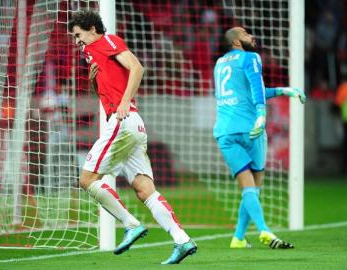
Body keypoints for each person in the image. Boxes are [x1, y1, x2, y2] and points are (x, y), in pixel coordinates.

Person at [68, 10, 197, 264]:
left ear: (93, 29)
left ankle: (130, 223)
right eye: (73, 37)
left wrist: (125, 101)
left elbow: (137, 67)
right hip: (130, 125)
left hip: (122, 120)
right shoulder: (93, 55)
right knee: (143, 188)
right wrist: (95, 84)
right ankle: (182, 240)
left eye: (78, 35)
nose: (76, 41)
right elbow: (108, 93)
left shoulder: (108, 41)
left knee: (86, 179)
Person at [213, 27, 306, 249]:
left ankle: (238, 238)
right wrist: (261, 115)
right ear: (236, 42)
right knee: (253, 186)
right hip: (250, 129)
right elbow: (255, 87)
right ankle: (265, 230)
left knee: (250, 188)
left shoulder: (220, 64)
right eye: (245, 34)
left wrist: (283, 91)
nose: (251, 36)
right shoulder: (251, 57)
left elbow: (248, 92)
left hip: (225, 131)